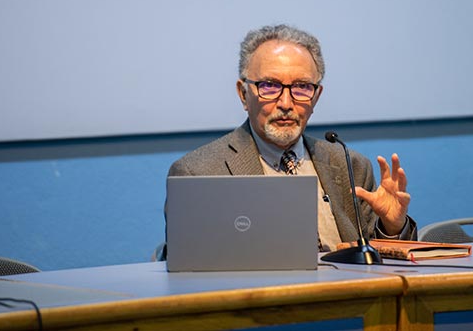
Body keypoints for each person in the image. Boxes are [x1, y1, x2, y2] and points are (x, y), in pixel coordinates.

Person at [168, 24, 417, 252]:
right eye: (269, 86)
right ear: (243, 94)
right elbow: (186, 266)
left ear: (316, 96)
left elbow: (382, 264)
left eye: (301, 87)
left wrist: (392, 227)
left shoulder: (350, 165)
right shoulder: (197, 173)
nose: (286, 103)